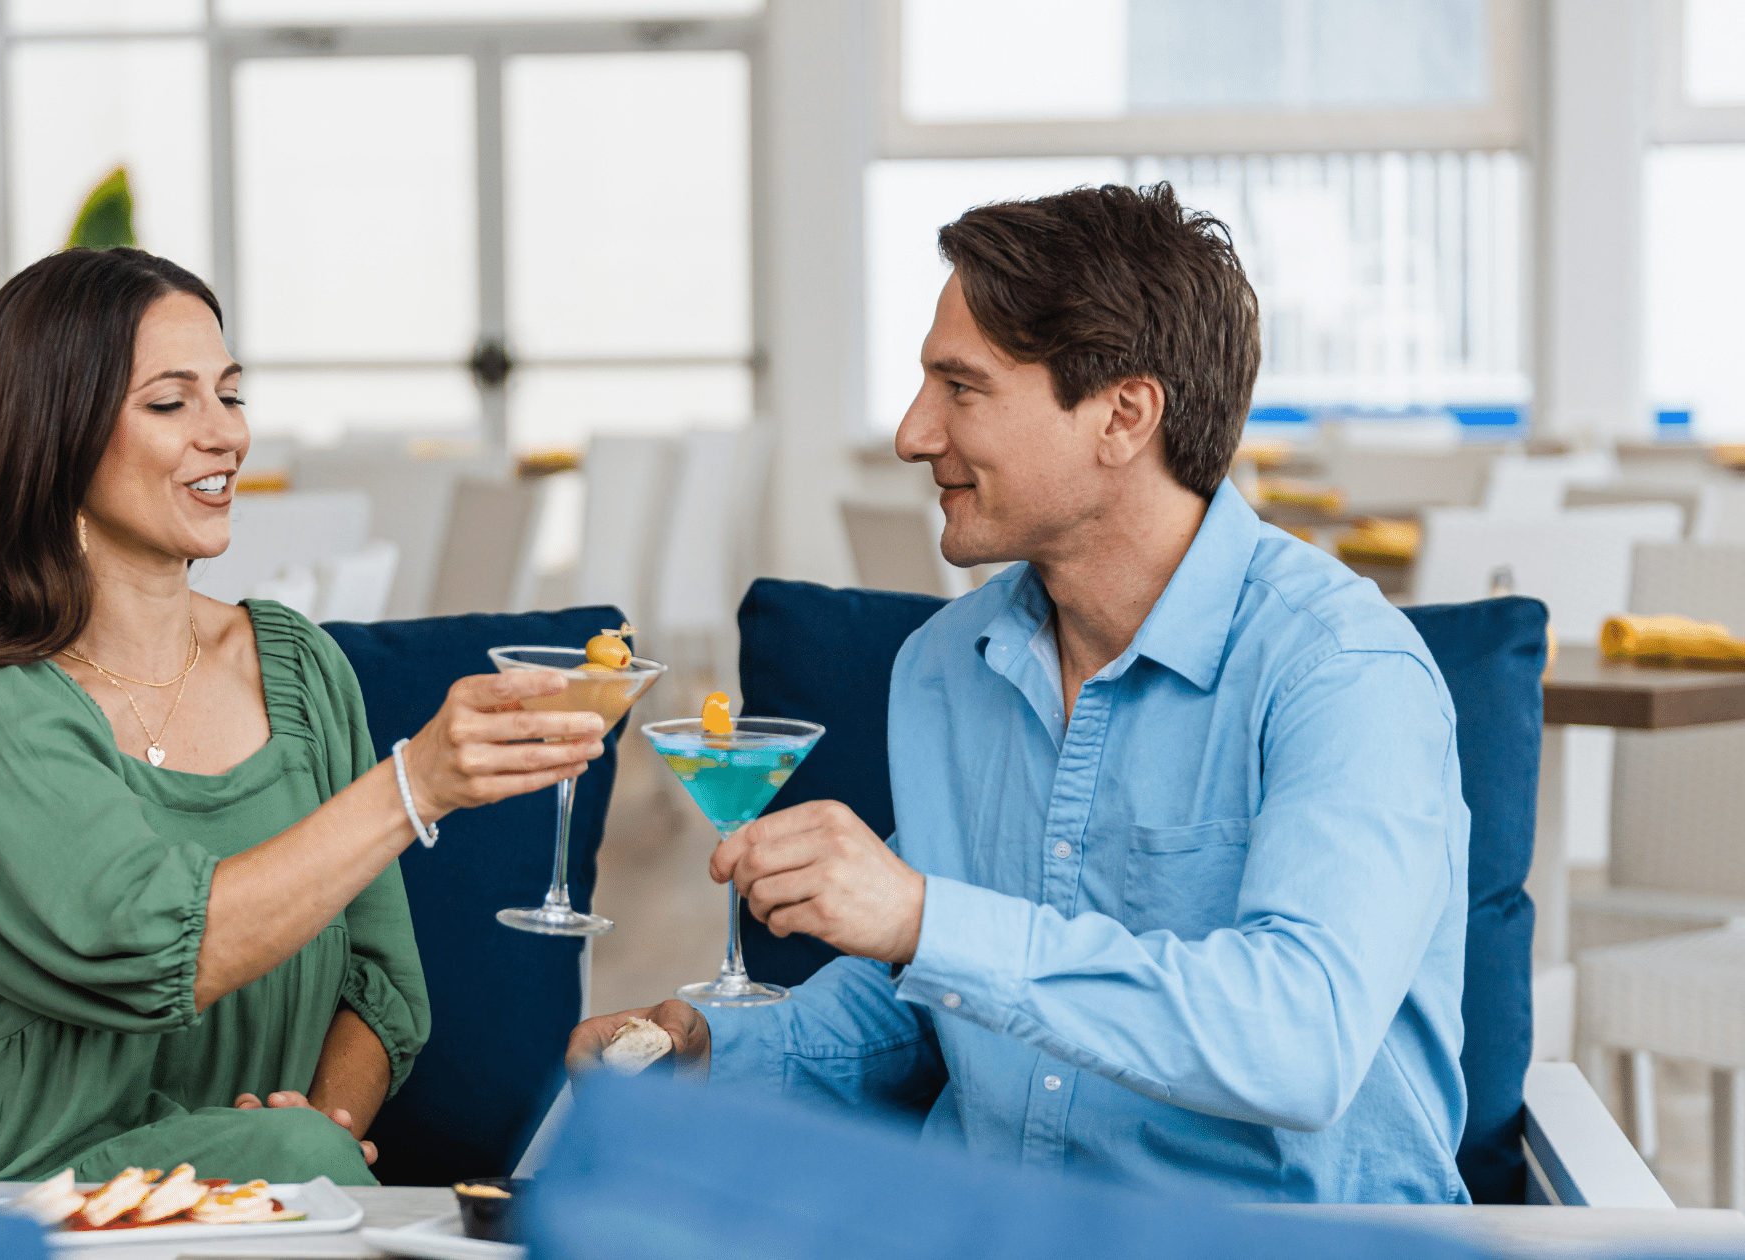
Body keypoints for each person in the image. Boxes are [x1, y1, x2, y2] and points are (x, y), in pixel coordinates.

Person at [569, 184, 1472, 1203]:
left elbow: (1297, 1040)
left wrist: (924, 919)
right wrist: (716, 1051)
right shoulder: (946, 666)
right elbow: (922, 1000)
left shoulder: (1339, 673)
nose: (913, 434)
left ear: (1121, 416)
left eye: (961, 387)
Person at [0, 248, 608, 1186]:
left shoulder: (298, 668)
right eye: (171, 404)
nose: (226, 435)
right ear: (56, 436)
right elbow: (151, 949)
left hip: (252, 1199)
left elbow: (383, 988)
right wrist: (412, 787)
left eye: (231, 394)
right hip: (9, 1201)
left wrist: (320, 1130)